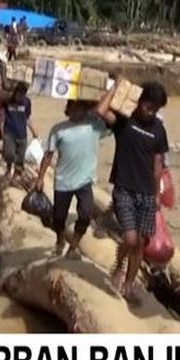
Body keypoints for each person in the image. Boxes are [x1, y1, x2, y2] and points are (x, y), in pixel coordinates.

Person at [94, 80, 170, 301]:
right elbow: (100, 110)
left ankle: (128, 285)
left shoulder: (158, 129)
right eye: (149, 106)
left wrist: (157, 195)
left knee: (142, 243)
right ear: (140, 101)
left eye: (155, 109)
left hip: (147, 193)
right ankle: (118, 265)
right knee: (130, 238)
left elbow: (158, 164)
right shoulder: (124, 121)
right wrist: (116, 88)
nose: (151, 112)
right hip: (124, 188)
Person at [35, 100, 111, 259]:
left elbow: (113, 122)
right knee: (59, 218)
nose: (78, 112)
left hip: (85, 181)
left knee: (85, 215)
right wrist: (40, 178)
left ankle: (73, 247)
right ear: (68, 110)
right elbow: (48, 155)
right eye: (75, 108)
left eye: (82, 108)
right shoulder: (58, 130)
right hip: (63, 181)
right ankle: (60, 239)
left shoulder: (94, 126)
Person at [0, 81, 37, 182]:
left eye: (22, 95)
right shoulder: (8, 101)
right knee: (9, 154)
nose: (20, 97)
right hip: (9, 133)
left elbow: (27, 118)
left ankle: (16, 175)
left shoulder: (27, 102)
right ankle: (8, 169)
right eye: (19, 94)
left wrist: (34, 132)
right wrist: (1, 130)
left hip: (22, 134)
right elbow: (1, 116)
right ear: (15, 92)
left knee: (20, 158)